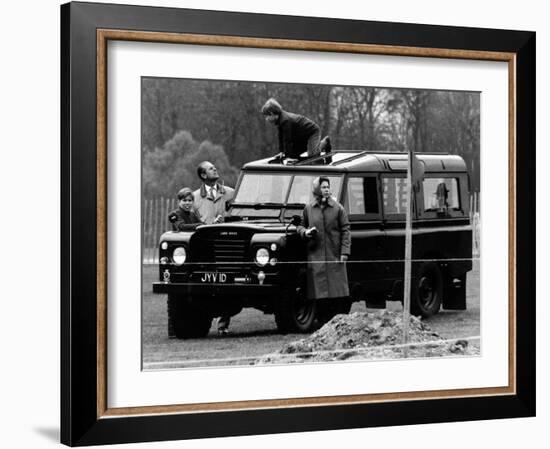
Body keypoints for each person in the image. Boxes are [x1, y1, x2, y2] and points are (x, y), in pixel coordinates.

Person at [192, 161, 235, 335]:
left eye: (214, 167)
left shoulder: (231, 193)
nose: (215, 169)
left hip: (228, 246)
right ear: (203, 175)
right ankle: (204, 320)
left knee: (229, 285)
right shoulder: (194, 198)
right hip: (205, 248)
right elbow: (193, 223)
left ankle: (223, 324)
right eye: (210, 168)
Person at [298, 176, 351, 304]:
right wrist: (305, 232)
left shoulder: (338, 208)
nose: (326, 190)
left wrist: (344, 252)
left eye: (328, 187)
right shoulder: (309, 208)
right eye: (323, 187)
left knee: (336, 293)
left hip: (334, 255)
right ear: (317, 189)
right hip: (316, 257)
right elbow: (300, 226)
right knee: (318, 294)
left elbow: (346, 230)